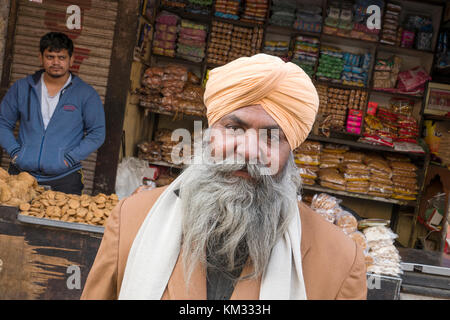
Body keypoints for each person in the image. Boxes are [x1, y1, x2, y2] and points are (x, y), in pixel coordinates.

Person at [81, 54, 367, 300]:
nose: (247, 150)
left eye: (272, 137)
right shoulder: (133, 219)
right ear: (208, 133)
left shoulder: (340, 261)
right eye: (234, 128)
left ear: (291, 152)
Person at [0, 32, 105, 195]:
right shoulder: (22, 88)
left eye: (61, 57)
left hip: (65, 178)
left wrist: (69, 159)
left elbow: (97, 133)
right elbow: (3, 123)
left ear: (71, 59)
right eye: (50, 56)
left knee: (58, 220)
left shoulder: (86, 94)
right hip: (21, 176)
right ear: (40, 58)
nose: (56, 62)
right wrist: (15, 152)